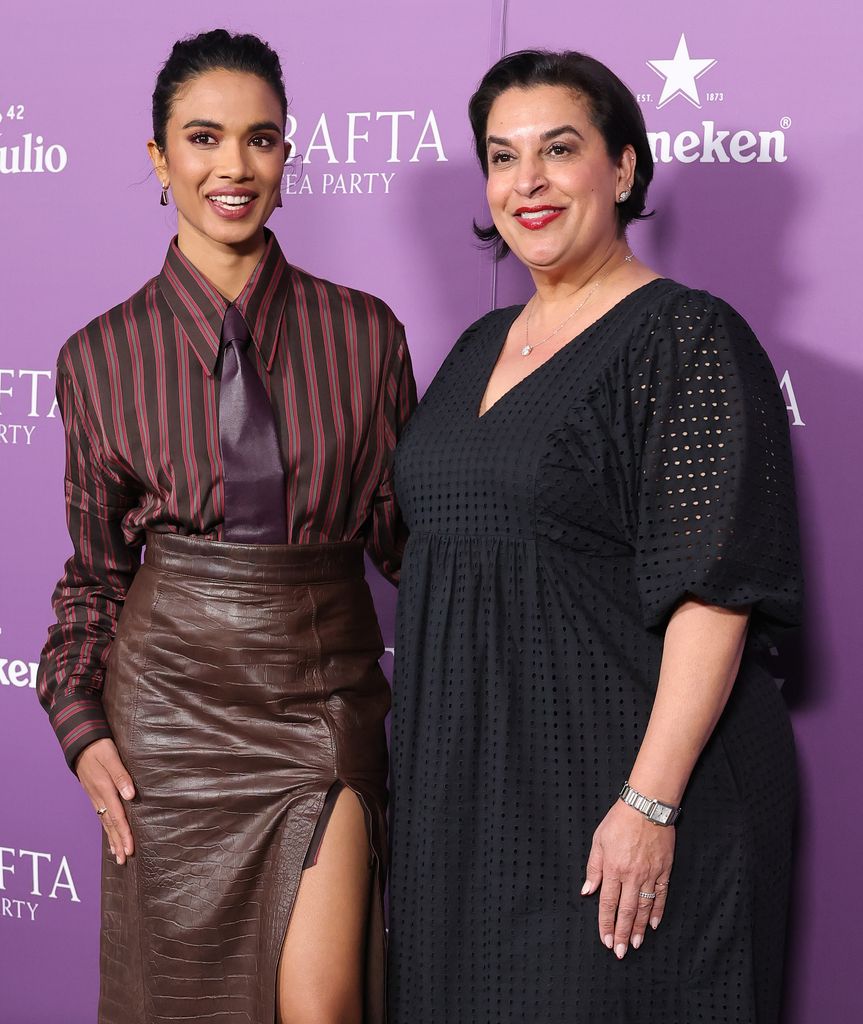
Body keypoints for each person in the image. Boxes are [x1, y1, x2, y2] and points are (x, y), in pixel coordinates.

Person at [388, 49, 801, 1024]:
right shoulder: (473, 349)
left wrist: (646, 805)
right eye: (500, 156)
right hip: (468, 801)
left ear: (620, 168)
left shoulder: (686, 337)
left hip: (613, 798)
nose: (524, 181)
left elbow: (715, 591)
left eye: (557, 149)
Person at [36, 29, 414, 1024]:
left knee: (321, 1006)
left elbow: (411, 543)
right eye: (202, 139)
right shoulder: (99, 357)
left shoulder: (366, 336)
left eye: (260, 139)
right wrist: (80, 722)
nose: (232, 167)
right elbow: (97, 572)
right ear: (160, 158)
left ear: (287, 157)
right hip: (169, 720)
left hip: (321, 706)